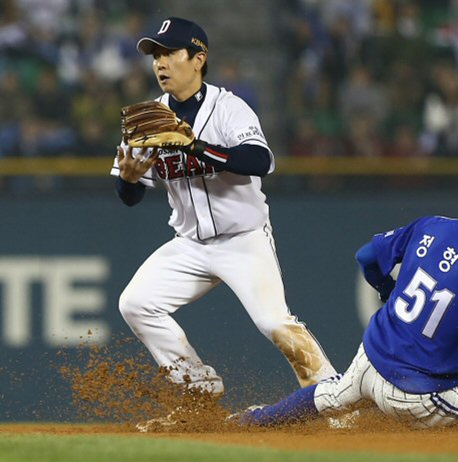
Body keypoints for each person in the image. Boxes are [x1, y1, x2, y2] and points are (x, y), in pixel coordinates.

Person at [234, 173, 458, 433]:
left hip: (367, 363)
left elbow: (366, 256)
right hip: (415, 397)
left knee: (334, 394)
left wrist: (386, 289)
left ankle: (254, 419)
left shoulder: (432, 225)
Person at [110, 17, 337, 421]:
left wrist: (197, 147)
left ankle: (336, 402)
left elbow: (261, 160)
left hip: (243, 240)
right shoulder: (147, 119)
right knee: (136, 303)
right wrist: (128, 180)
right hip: (189, 245)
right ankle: (196, 388)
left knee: (275, 323)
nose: (160, 63)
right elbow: (129, 196)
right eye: (155, 55)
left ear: (198, 59)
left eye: (169, 53)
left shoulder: (228, 107)